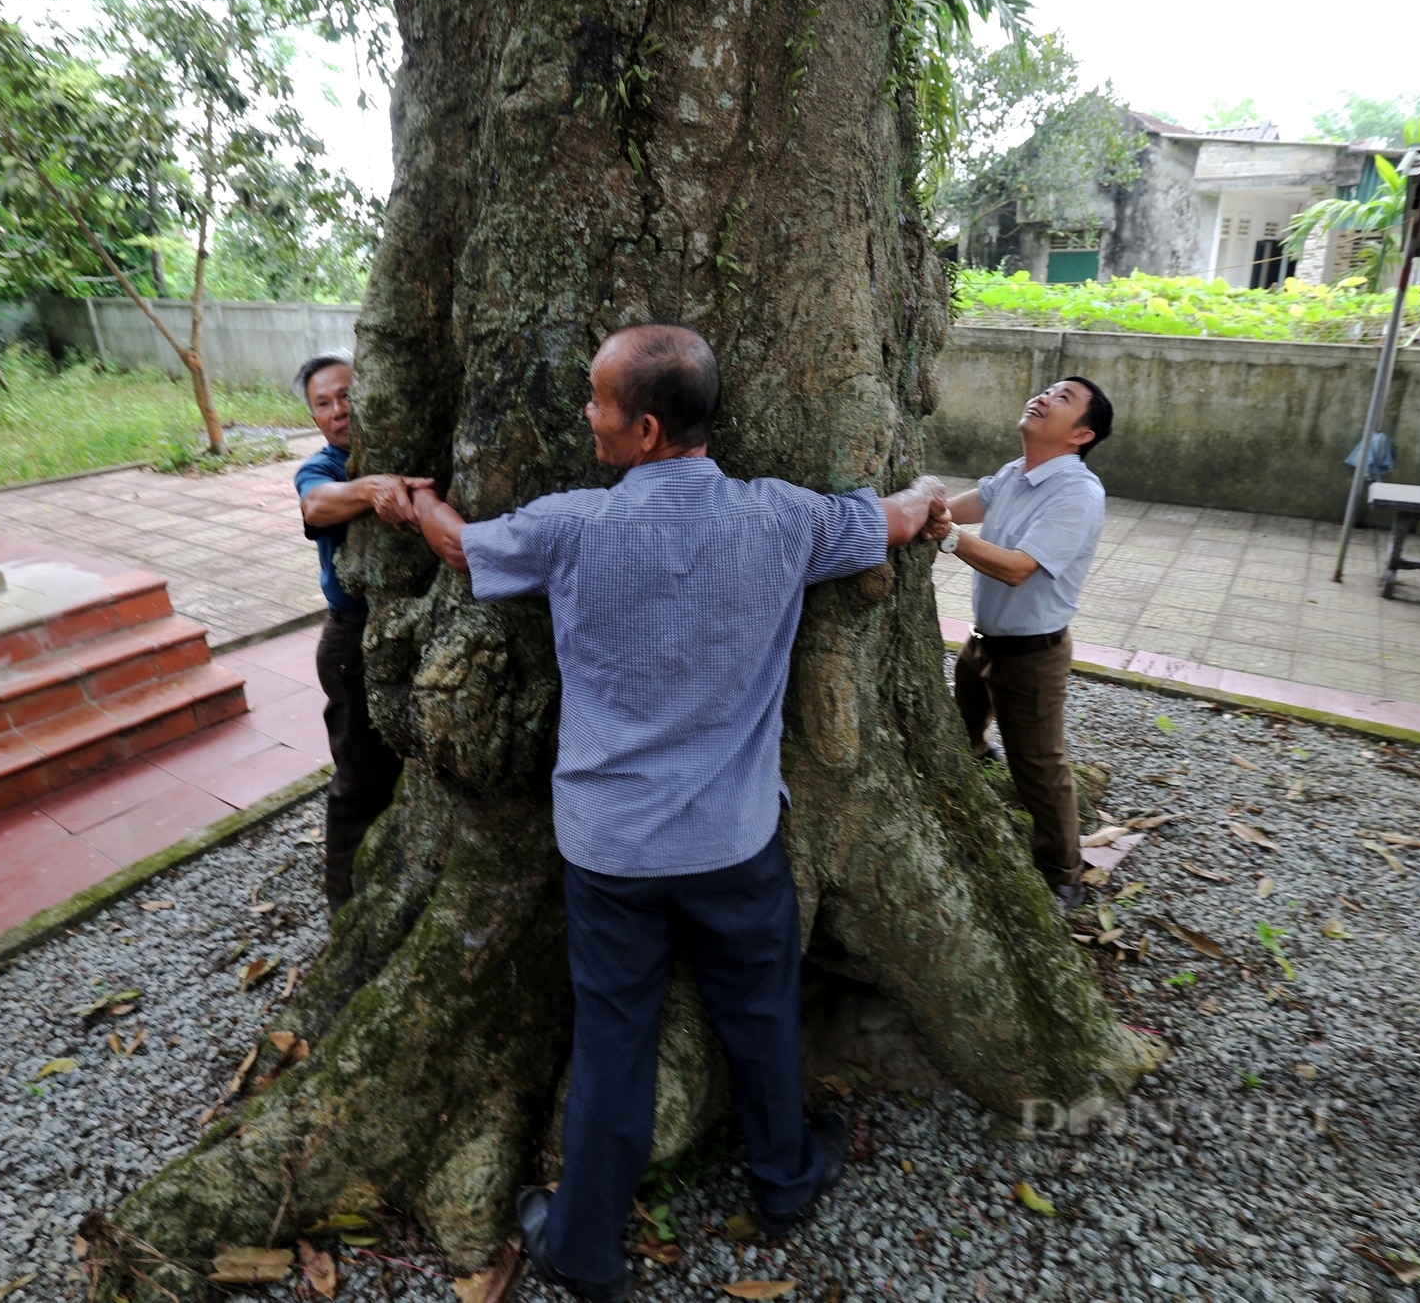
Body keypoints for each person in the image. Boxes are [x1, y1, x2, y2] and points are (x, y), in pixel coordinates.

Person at [401, 323, 946, 1302]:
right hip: (733, 838)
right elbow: (895, 520)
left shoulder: (568, 526)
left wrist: (414, 500)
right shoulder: (783, 521)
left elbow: (456, 549)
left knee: (615, 1035)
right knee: (761, 1008)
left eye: (598, 402)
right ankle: (783, 1180)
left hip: (610, 848)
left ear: (644, 428)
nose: (585, 415)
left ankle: (583, 1243)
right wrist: (920, 496)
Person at [927, 376, 1113, 910]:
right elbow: (965, 505)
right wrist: (929, 503)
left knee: (1040, 768)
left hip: (1033, 654)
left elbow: (1018, 570)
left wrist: (947, 536)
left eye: (1063, 399)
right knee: (959, 724)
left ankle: (1064, 873)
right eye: (1047, 390)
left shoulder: (1077, 494)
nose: (1044, 397)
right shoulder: (1016, 473)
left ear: (1080, 434)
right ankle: (981, 756)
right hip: (983, 641)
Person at [291, 350, 412, 918]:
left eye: (347, 395)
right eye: (324, 403)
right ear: (314, 416)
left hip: (407, 632)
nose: (339, 410)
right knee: (360, 777)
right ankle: (344, 904)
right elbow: (315, 506)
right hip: (351, 641)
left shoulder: (405, 444)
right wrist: (373, 490)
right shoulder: (324, 469)